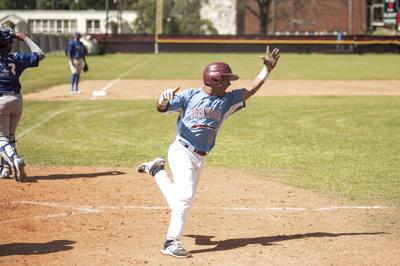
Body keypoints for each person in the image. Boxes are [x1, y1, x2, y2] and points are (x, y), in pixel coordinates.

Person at [137, 46, 281, 258]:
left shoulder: (227, 100)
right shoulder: (189, 95)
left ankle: (156, 170)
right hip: (181, 151)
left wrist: (266, 70)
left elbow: (250, 89)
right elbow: (162, 107)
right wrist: (163, 97)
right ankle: (170, 242)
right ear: (215, 80)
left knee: (182, 201)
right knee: (184, 198)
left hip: (200, 157)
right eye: (226, 79)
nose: (230, 83)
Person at [0, 27, 45, 181]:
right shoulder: (16, 57)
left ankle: (15, 160)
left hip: (1, 102)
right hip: (17, 101)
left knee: (1, 139)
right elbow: (40, 54)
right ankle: (5, 169)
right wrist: (25, 38)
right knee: (9, 137)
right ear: (9, 44)